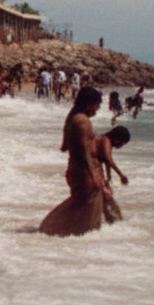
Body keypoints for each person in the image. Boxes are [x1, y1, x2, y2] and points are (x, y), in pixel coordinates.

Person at [39, 87, 109, 237]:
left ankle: (56, 234)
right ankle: (50, 230)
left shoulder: (71, 118)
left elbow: (64, 147)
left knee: (80, 207)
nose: (97, 109)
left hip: (74, 170)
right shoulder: (83, 121)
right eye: (97, 105)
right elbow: (86, 153)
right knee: (88, 217)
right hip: (85, 173)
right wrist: (95, 176)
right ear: (90, 103)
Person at [96, 126, 130, 224]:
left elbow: (106, 161)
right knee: (107, 198)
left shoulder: (104, 140)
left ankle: (112, 222)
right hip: (92, 171)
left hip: (96, 170)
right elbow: (108, 159)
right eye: (122, 142)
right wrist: (121, 175)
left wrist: (109, 177)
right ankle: (116, 223)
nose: (121, 146)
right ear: (116, 138)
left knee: (106, 197)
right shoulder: (106, 140)